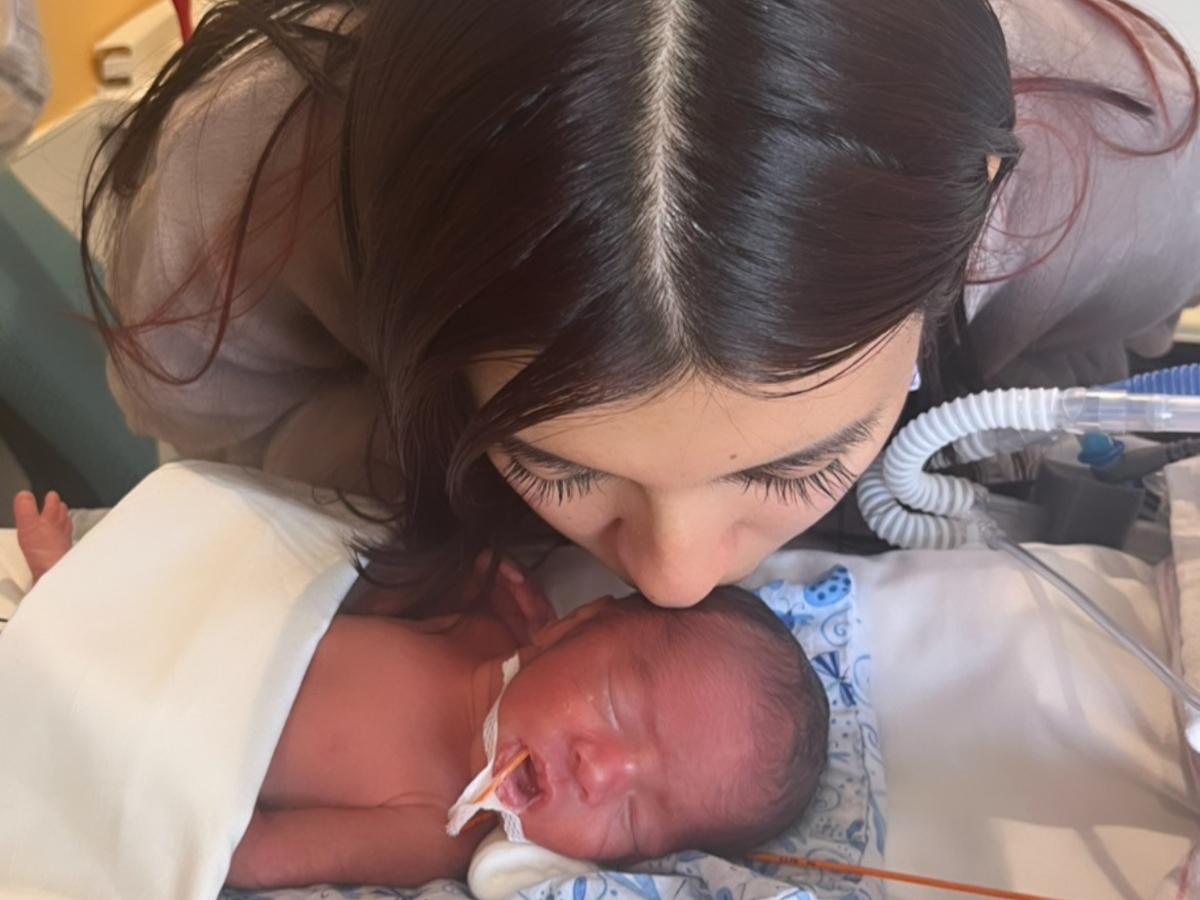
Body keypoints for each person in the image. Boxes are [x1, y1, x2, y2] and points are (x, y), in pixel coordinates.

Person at [83, 0, 1200, 609]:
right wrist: (451, 474)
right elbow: (219, 452)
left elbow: (1108, 390)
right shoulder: (238, 190)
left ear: (979, 212)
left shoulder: (1130, 158)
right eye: (563, 465)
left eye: (794, 463)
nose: (677, 581)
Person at [10, 490, 830, 889]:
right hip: (194, 621)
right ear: (568, 628)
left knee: (112, 731)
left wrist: (160, 806)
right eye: (616, 709)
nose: (598, 769)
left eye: (637, 813)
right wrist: (473, 574)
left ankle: (67, 641)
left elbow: (251, 849)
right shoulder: (481, 623)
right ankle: (83, 593)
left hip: (162, 731)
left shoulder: (439, 829)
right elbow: (348, 570)